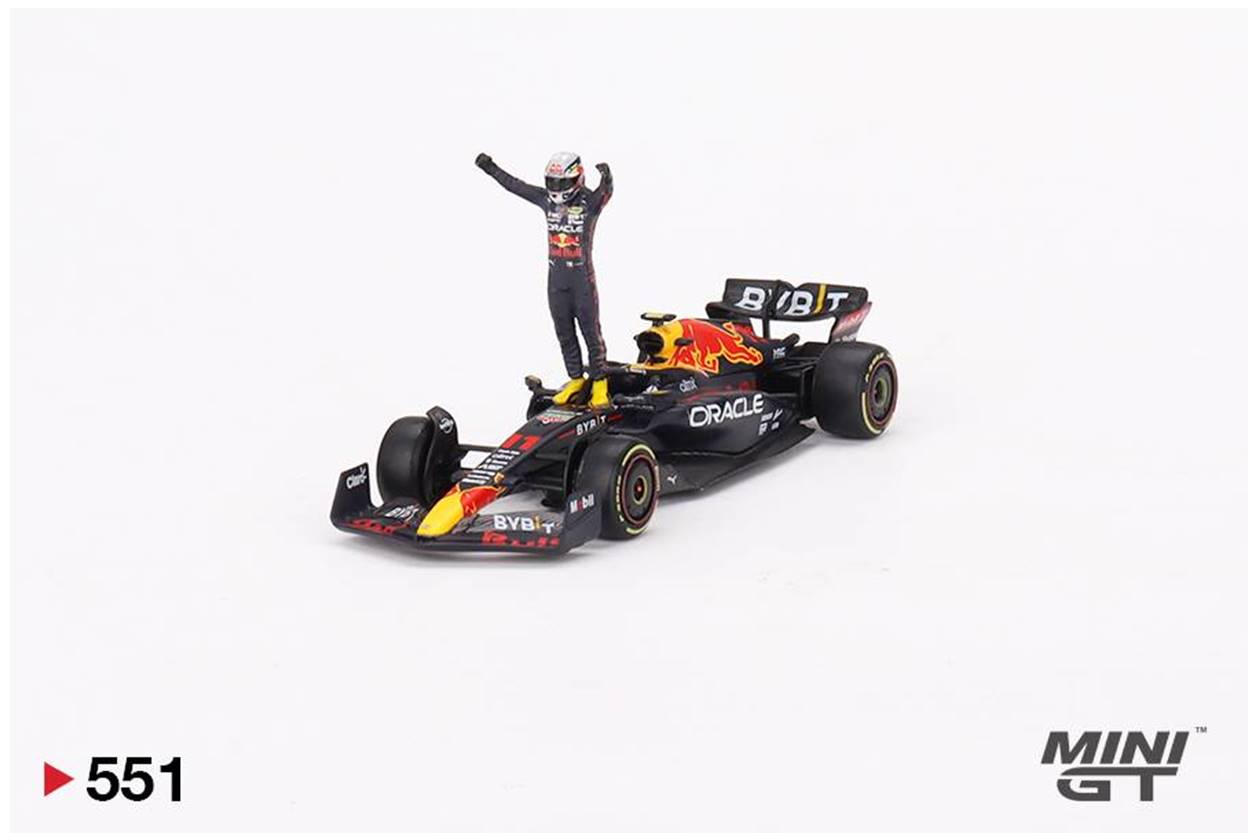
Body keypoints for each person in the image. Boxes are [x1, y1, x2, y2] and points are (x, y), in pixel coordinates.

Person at [476, 151, 613, 409]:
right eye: (552, 182)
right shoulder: (545, 200)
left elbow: (605, 194)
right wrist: (490, 167)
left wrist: (606, 177)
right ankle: (576, 379)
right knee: (564, 331)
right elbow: (516, 186)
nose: (557, 188)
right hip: (556, 282)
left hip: (582, 281)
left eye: (563, 182)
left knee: (591, 333)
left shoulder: (590, 202)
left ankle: (600, 383)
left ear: (578, 178)